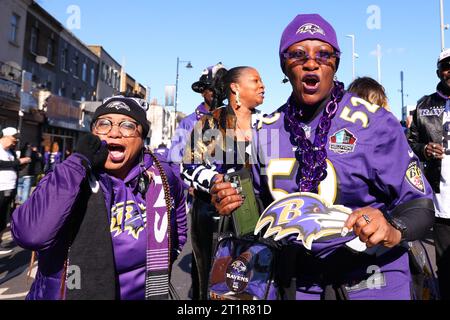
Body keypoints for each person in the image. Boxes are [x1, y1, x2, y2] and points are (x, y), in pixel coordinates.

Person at [211, 13, 435, 300]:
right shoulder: (266, 129)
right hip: (296, 279)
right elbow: (256, 214)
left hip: (372, 276)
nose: (311, 62)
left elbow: (419, 204)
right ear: (284, 65)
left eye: (324, 54)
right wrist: (231, 201)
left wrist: (393, 227)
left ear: (336, 63)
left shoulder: (374, 123)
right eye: (298, 54)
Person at [11, 95, 187, 300]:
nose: (114, 132)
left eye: (128, 125)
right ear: (93, 132)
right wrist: (78, 161)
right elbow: (30, 234)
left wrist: (155, 270)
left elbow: (178, 230)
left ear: (142, 138)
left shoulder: (162, 177)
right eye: (104, 124)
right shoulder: (67, 175)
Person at [182, 65, 265, 299]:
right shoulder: (211, 123)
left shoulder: (267, 124)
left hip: (255, 215)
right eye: (256, 81)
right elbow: (188, 167)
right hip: (213, 216)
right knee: (211, 279)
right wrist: (215, 181)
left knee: (250, 280)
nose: (262, 86)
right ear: (235, 88)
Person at [167, 62, 224, 299]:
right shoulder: (190, 123)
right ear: (204, 90)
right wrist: (189, 186)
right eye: (214, 88)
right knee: (203, 274)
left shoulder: (235, 119)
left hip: (232, 207)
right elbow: (173, 163)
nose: (219, 93)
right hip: (203, 204)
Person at [407, 48, 450, 300]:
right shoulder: (424, 106)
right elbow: (408, 146)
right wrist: (424, 149)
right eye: (446, 66)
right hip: (442, 202)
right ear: (438, 72)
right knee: (445, 267)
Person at [0, 128, 30, 255]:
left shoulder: (10, 151)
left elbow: (13, 166)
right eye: (13, 138)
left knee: (3, 218)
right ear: (5, 136)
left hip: (10, 188)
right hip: (0, 189)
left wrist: (22, 164)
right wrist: (18, 162)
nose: (15, 141)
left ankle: (0, 242)